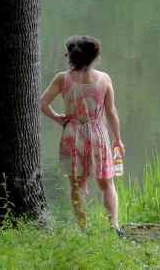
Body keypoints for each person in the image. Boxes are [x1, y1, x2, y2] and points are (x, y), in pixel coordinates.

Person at [40, 36, 125, 235]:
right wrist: (117, 139)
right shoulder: (103, 79)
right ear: (94, 57)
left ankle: (84, 229)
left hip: (72, 134)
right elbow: (111, 112)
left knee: (77, 185)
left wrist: (58, 118)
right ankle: (114, 226)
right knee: (106, 182)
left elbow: (43, 103)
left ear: (71, 56)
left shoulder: (63, 78)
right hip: (97, 134)